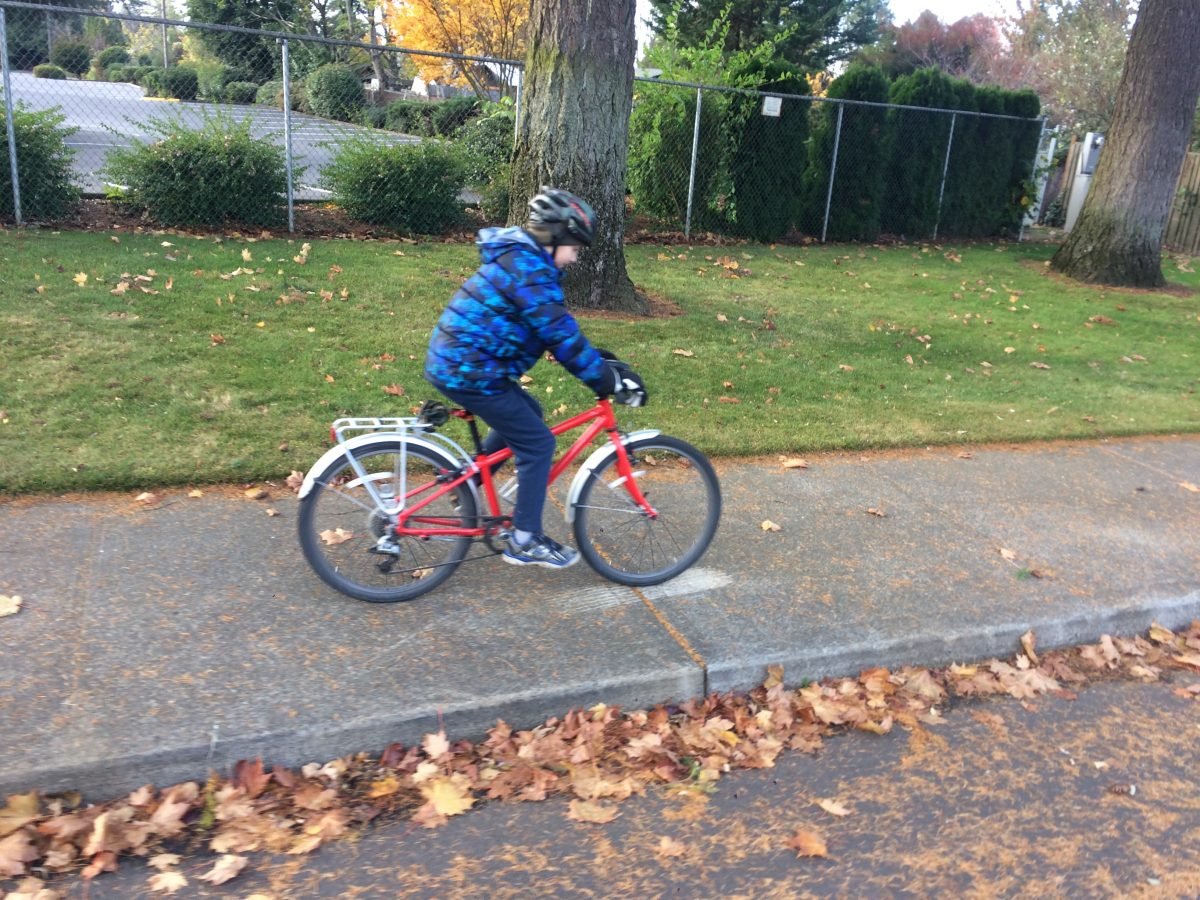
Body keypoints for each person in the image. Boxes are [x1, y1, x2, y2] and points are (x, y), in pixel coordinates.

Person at [424, 187, 647, 569]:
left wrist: (597, 360)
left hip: (466, 363)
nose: (576, 255)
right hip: (472, 370)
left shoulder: (524, 262)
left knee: (528, 410)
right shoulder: (530, 272)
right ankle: (524, 539)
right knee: (538, 444)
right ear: (555, 237)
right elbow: (559, 334)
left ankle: (464, 486)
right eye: (575, 245)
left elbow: (553, 331)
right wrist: (607, 382)